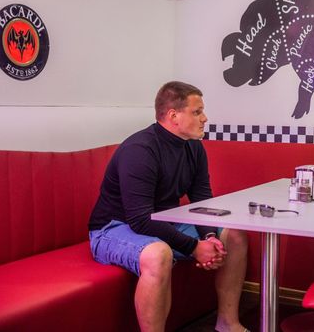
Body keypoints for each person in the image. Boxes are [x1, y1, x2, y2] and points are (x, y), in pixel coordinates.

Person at [88, 81, 248, 332]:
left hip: (162, 221)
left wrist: (209, 237)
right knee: (159, 254)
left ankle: (228, 324)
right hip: (113, 229)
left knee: (234, 236)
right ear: (173, 116)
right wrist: (194, 247)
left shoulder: (193, 146)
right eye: (197, 112)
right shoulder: (140, 150)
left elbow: (202, 199)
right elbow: (140, 220)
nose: (204, 118)